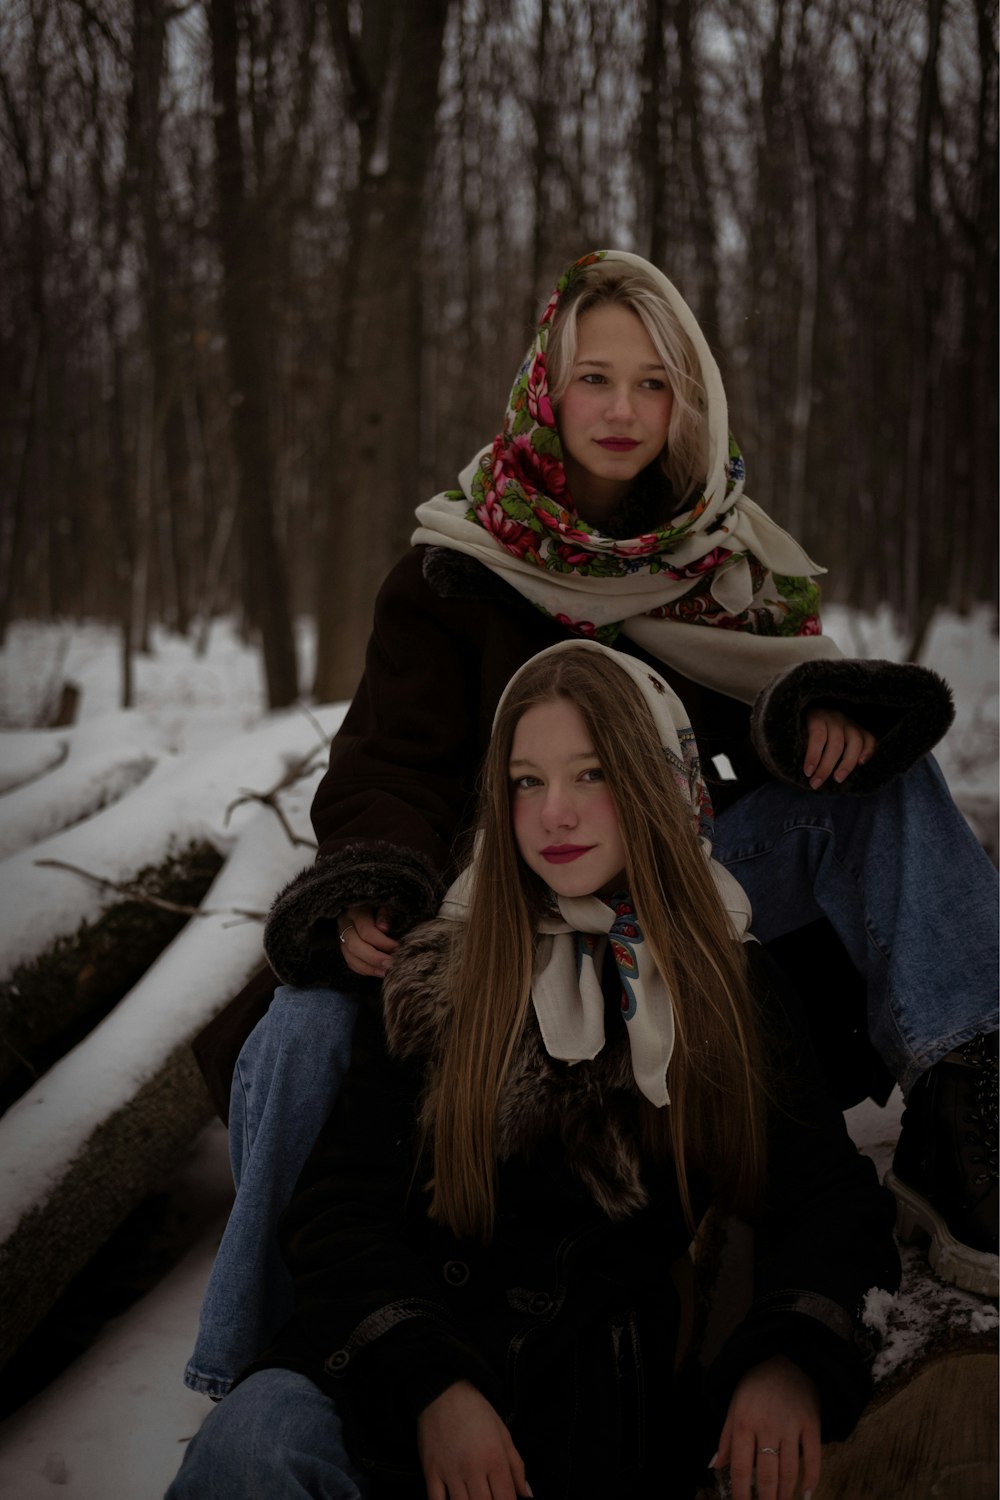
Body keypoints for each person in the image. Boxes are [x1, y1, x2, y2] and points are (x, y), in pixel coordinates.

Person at [185, 249, 997, 1400]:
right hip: (498, 893)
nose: (623, 410)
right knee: (310, 1026)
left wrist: (812, 727)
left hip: (675, 885)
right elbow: (392, 767)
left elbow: (744, 733)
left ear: (688, 401)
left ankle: (970, 1100)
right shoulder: (453, 569)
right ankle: (266, 1367)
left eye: (654, 383)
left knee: (891, 782)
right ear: (546, 392)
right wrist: (377, 882)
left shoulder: (720, 561)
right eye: (596, 379)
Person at [169, 642, 902, 1500]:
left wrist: (789, 1362)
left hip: (587, 1407)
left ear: (661, 784)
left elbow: (828, 1199)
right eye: (526, 782)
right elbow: (341, 1213)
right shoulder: (444, 966)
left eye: (592, 774)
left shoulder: (723, 982)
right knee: (250, 1449)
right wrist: (435, 1387)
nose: (554, 813)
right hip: (397, 1382)